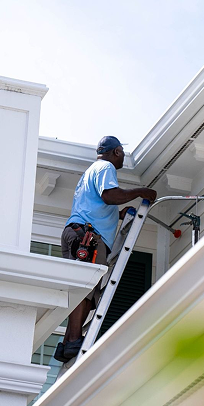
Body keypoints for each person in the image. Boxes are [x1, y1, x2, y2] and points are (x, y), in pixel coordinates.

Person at [54, 135, 157, 362]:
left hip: (79, 232)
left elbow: (99, 204)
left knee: (83, 289)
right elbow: (110, 196)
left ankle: (67, 344)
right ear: (117, 151)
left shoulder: (92, 171)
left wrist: (117, 216)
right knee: (85, 286)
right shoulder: (105, 167)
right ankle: (72, 340)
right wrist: (141, 191)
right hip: (88, 236)